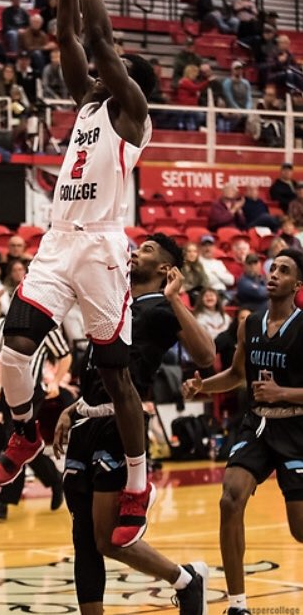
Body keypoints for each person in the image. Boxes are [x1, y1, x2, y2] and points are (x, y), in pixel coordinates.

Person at [0, 0, 158, 549]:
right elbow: (69, 34)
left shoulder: (133, 115)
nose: (93, 73)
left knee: (116, 378)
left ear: (125, 81)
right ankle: (27, 428)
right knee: (15, 344)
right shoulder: (87, 106)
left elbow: (102, 38)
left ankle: (140, 482)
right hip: (59, 240)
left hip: (102, 248)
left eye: (106, 72)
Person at [53, 233, 215, 614]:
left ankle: (186, 579)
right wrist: (74, 408)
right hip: (87, 423)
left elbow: (206, 355)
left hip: (119, 427)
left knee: (109, 539)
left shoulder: (160, 306)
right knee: (84, 539)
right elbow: (97, 376)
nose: (134, 252)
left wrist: (176, 297)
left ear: (164, 269)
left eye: (145, 249)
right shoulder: (115, 304)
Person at [182, 248, 303, 615]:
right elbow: (236, 376)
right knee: (229, 498)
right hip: (258, 426)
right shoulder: (248, 324)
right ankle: (237, 605)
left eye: (283, 270)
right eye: (272, 268)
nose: (274, 274)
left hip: (297, 428)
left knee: (299, 530)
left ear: (297, 285)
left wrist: (282, 392)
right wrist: (203, 387)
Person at [0, 317, 69, 520]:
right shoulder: (1, 323)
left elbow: (65, 356)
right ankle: (55, 479)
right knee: (22, 444)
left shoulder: (45, 325)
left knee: (16, 442)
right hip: (6, 389)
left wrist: (55, 381)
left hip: (31, 391)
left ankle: (3, 502)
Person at [198, 235, 235, 301]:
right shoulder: (198, 262)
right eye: (205, 245)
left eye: (210, 245)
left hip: (222, 292)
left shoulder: (218, 263)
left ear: (214, 248)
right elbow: (208, 281)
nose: (207, 248)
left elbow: (231, 280)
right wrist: (222, 277)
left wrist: (216, 273)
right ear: (200, 248)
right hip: (208, 293)